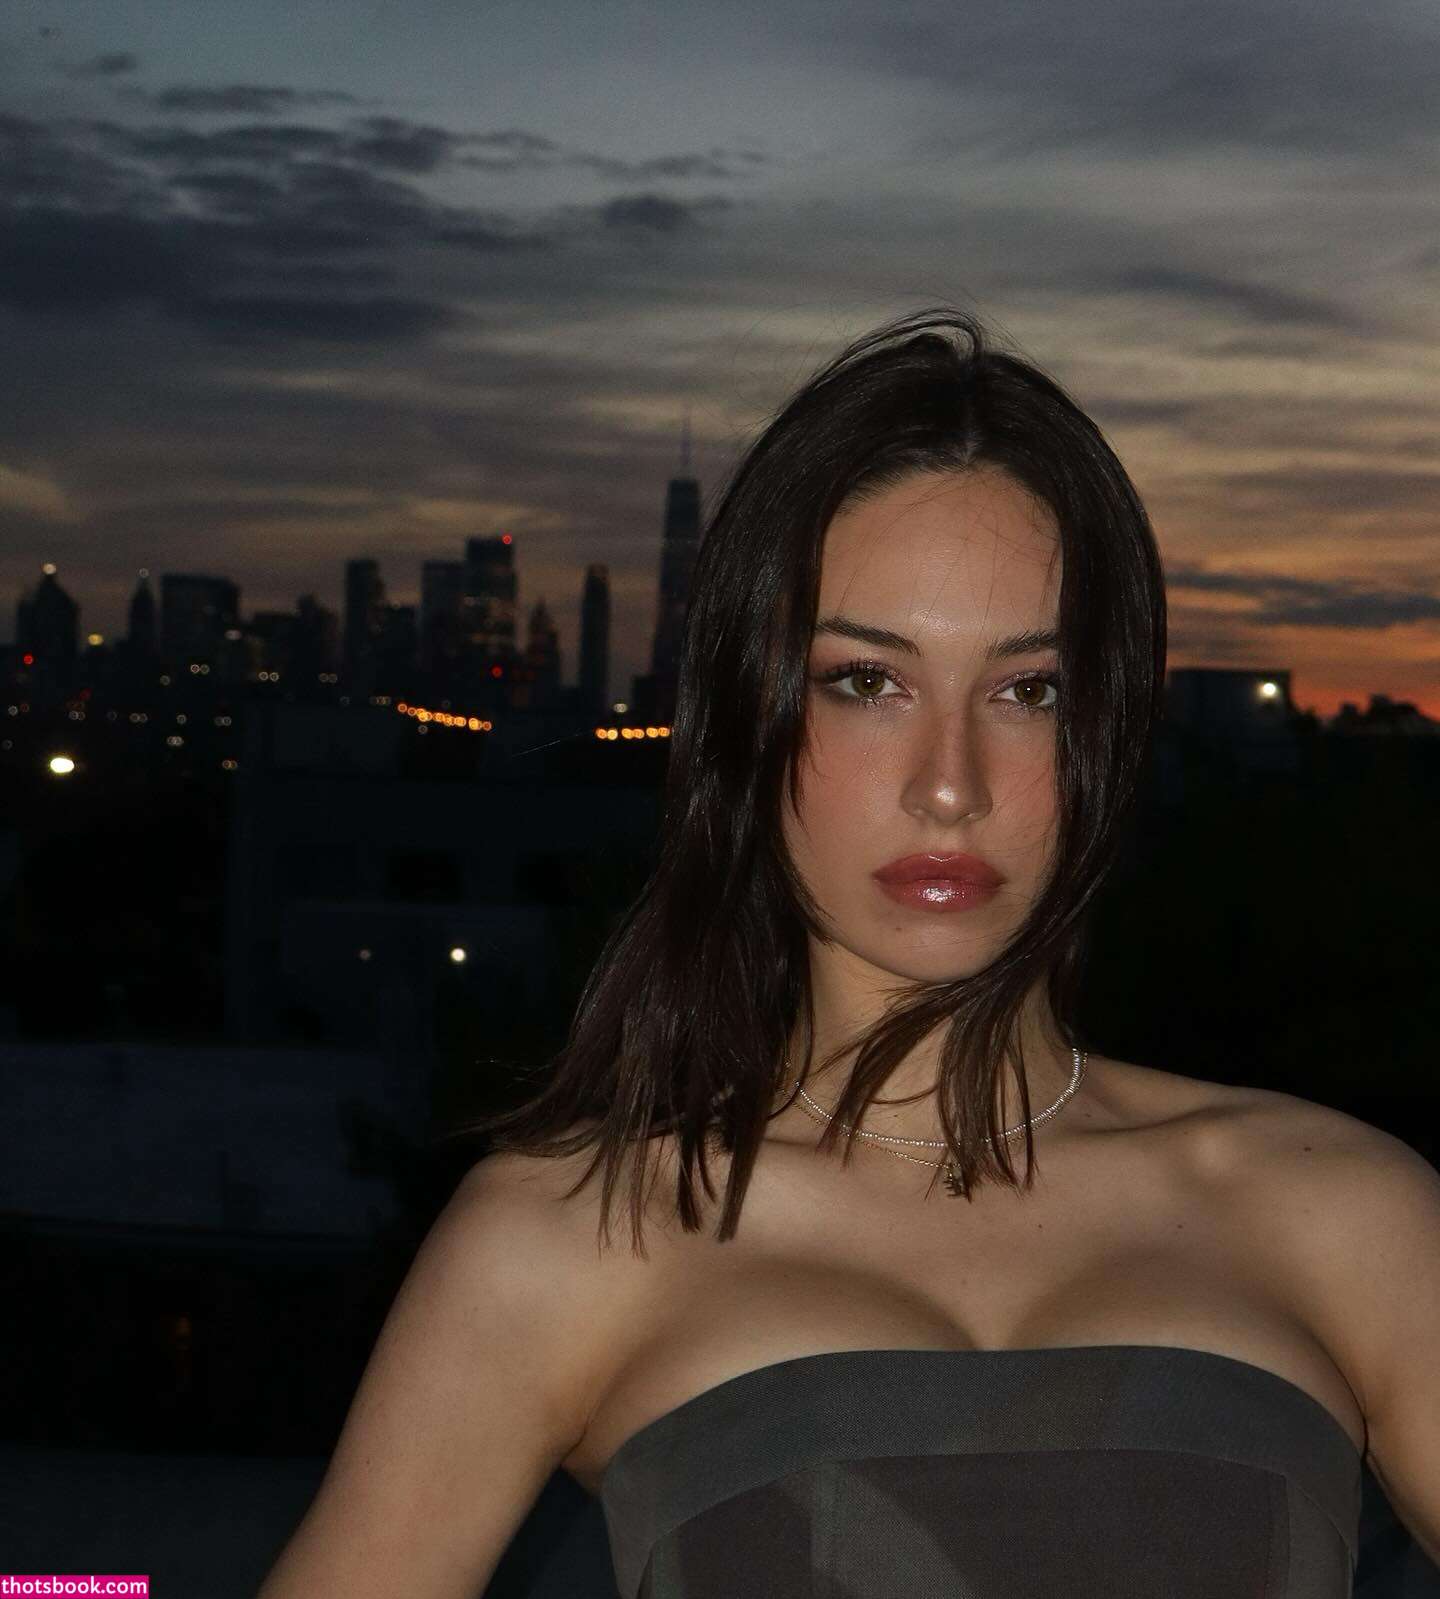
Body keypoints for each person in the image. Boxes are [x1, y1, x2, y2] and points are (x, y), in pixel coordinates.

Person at [256, 309, 1440, 1598]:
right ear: (748, 714)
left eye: (1028, 690)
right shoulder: (570, 1236)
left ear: (1105, 728)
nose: (950, 785)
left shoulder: (1340, 1213)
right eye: (867, 682)